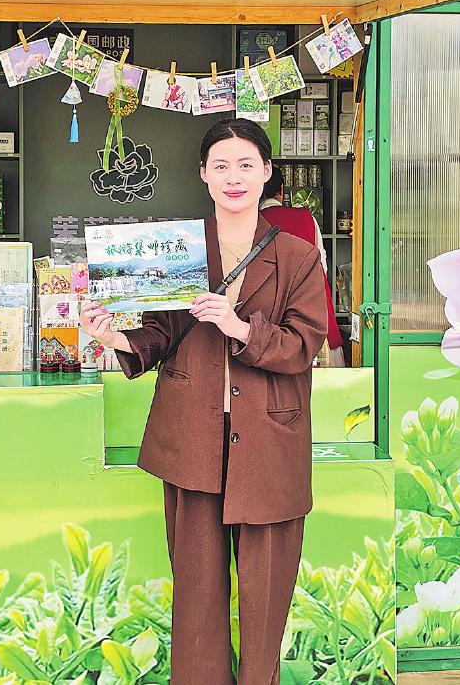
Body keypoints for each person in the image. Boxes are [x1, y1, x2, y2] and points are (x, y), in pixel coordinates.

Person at [80, 119, 328, 685]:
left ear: (266, 173)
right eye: (221, 165)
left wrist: (239, 327)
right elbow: (161, 334)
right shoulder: (178, 249)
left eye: (245, 165)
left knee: (267, 595)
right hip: (192, 436)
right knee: (195, 594)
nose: (233, 177)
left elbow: (304, 345)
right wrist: (113, 337)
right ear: (203, 175)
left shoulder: (297, 256)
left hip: (269, 441)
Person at [260, 175, 347, 365]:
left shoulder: (251, 221)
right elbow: (321, 264)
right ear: (282, 190)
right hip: (312, 300)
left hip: (268, 310)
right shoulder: (306, 217)